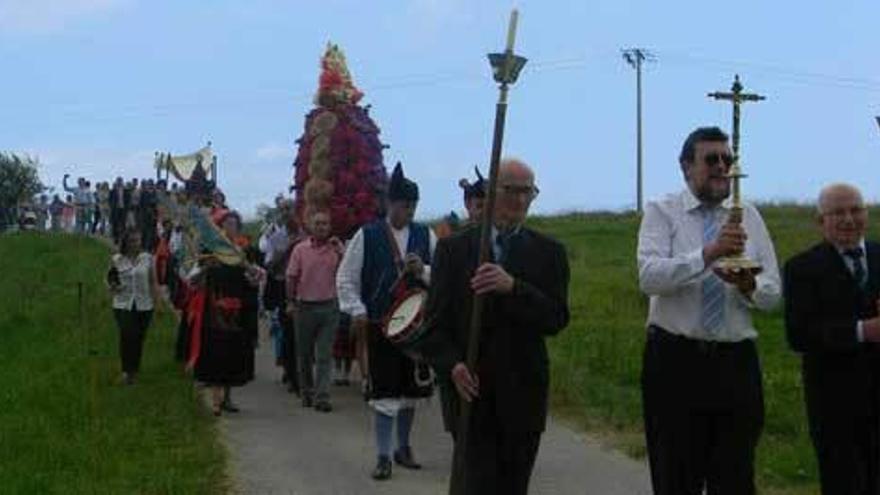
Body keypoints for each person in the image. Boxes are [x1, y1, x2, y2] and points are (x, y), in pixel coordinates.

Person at [636, 126, 781, 495]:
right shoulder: (662, 211)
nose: (722, 168)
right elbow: (649, 277)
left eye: (727, 159)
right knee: (675, 476)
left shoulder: (749, 215)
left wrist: (749, 285)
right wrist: (708, 253)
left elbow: (772, 294)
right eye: (711, 160)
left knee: (735, 477)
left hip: (735, 362)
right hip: (676, 359)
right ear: (686, 167)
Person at [420, 158, 569, 494]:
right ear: (489, 191)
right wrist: (453, 365)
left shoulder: (550, 253)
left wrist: (513, 287)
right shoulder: (454, 250)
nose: (519, 200)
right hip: (471, 395)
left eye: (527, 192)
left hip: (523, 395)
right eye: (510, 190)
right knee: (473, 485)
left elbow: (556, 318)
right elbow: (433, 328)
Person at [337, 162, 436, 480]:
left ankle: (403, 448)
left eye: (413, 206)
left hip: (415, 326)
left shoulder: (425, 234)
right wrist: (357, 310)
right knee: (384, 395)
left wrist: (422, 270)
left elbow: (443, 278)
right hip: (381, 325)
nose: (410, 211)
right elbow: (346, 278)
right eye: (405, 205)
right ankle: (382, 456)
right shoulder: (367, 235)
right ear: (390, 204)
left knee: (410, 393)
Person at [784, 183, 880, 494]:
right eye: (837, 213)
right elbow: (799, 335)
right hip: (835, 405)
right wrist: (863, 331)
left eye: (855, 210)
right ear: (820, 222)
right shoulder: (801, 268)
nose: (848, 219)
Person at [186, 211, 260, 416]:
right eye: (227, 223)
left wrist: (252, 274)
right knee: (216, 352)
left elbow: (255, 277)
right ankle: (216, 400)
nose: (231, 227)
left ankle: (227, 398)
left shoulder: (244, 250)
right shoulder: (210, 250)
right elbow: (192, 280)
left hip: (237, 310)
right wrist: (204, 269)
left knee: (232, 353)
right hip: (213, 309)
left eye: (234, 224)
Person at [286, 209, 344, 412]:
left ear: (330, 227)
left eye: (325, 224)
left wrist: (342, 251)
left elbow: (347, 273)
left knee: (324, 354)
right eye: (318, 223)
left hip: (329, 306)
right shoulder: (300, 250)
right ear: (310, 226)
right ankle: (307, 391)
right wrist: (291, 301)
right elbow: (291, 277)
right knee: (304, 353)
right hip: (304, 307)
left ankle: (322, 397)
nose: (321, 227)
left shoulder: (335, 250)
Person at [107, 229, 161, 385]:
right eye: (132, 241)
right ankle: (125, 371)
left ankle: (134, 371)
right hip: (123, 304)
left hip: (144, 305)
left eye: (138, 240)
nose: (136, 244)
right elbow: (109, 278)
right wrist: (113, 287)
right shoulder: (117, 259)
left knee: (139, 338)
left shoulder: (147, 258)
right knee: (127, 335)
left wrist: (157, 303)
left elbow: (152, 282)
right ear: (126, 242)